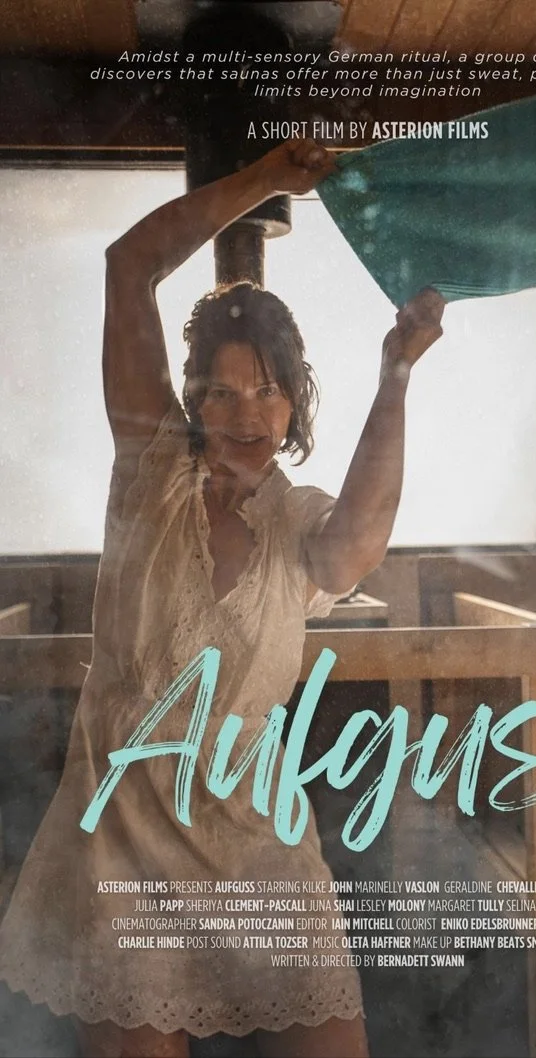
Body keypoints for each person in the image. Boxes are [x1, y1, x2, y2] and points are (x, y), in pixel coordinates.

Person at [0, 139, 445, 1058]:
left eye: (272, 393)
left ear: (295, 408)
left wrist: (397, 373)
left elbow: (356, 548)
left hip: (259, 837)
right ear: (193, 400)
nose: (249, 413)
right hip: (122, 838)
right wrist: (265, 181)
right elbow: (129, 267)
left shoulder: (299, 523)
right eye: (226, 391)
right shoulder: (148, 473)